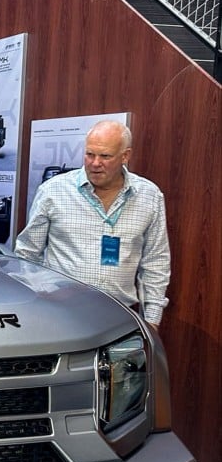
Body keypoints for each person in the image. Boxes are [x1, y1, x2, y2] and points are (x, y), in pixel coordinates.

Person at [14, 120, 170, 327]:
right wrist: (32, 308)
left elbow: (156, 261)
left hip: (119, 316)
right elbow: (27, 254)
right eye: (90, 154)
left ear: (125, 156)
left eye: (105, 156)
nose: (95, 163)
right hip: (60, 313)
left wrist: (152, 319)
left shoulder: (149, 196)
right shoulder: (53, 191)